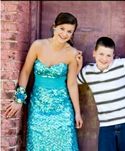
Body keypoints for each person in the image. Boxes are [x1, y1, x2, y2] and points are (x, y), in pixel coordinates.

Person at [4, 12, 83, 150]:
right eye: (62, 28)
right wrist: (19, 99)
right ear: (54, 27)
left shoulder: (72, 53)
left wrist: (77, 112)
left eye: (69, 31)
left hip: (62, 109)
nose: (65, 34)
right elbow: (25, 72)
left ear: (72, 34)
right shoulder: (38, 45)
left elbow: (71, 84)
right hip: (37, 107)